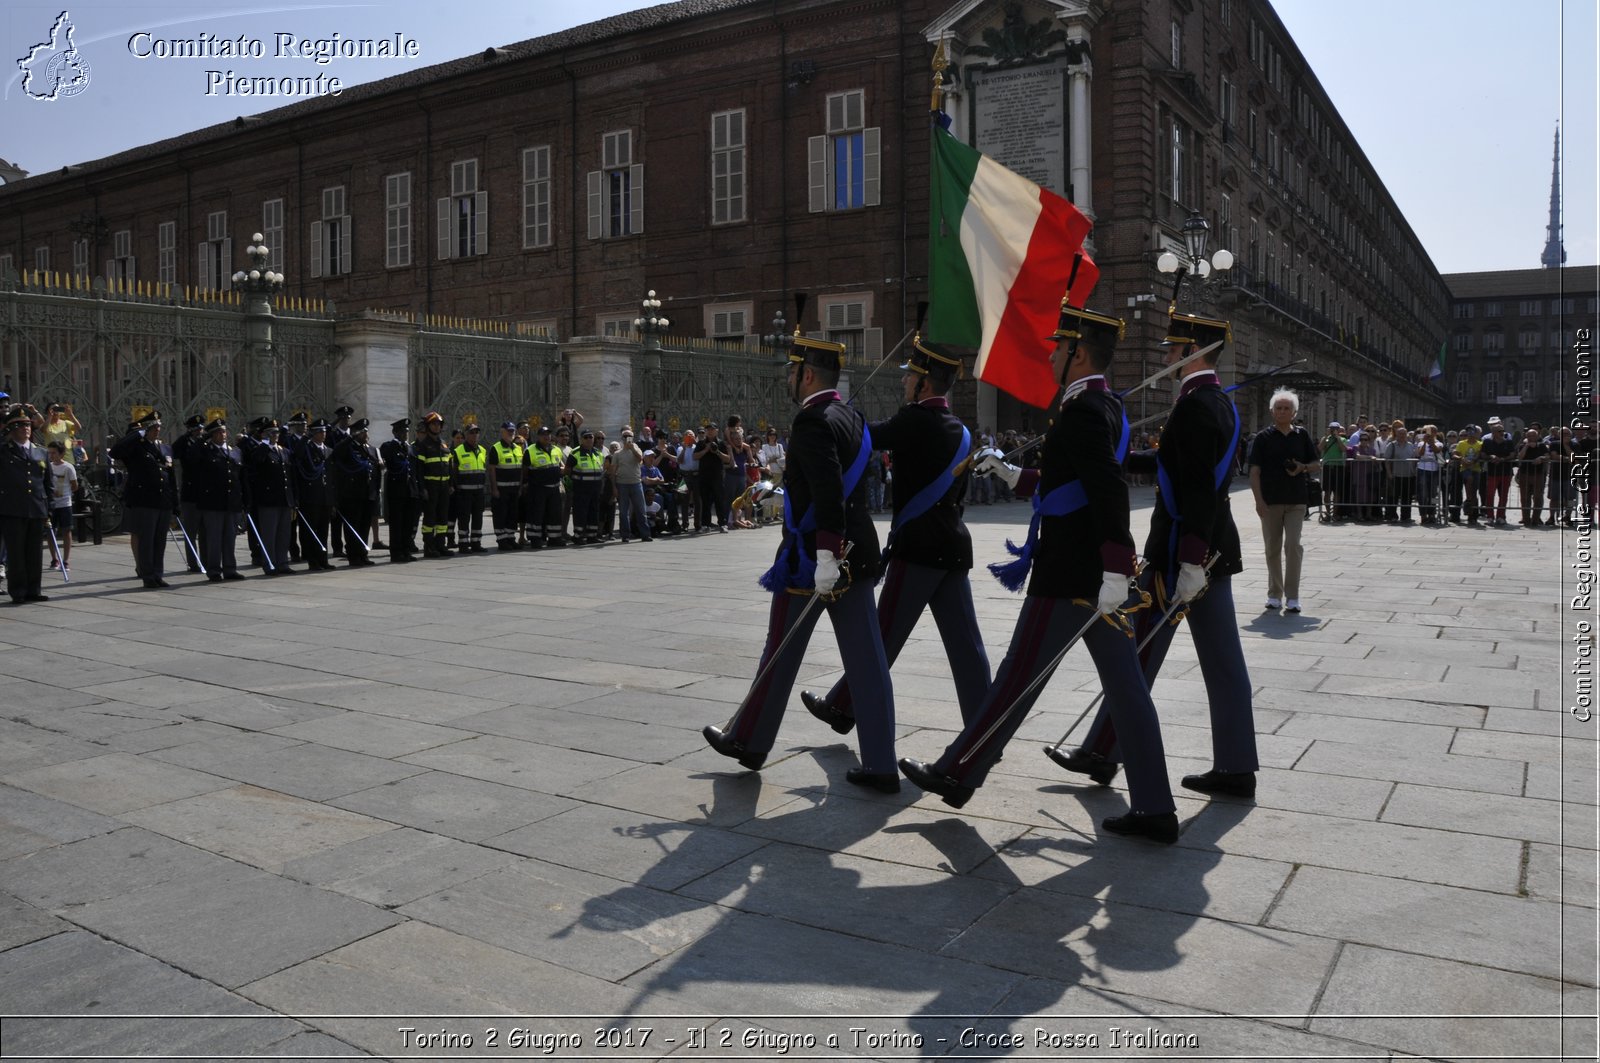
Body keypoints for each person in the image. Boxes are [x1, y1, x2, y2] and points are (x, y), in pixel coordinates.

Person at [898, 302, 1177, 842]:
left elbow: (1107, 489)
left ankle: (958, 772)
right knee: (1127, 691)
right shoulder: (1101, 406)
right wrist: (1010, 474)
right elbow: (1066, 482)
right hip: (1094, 578)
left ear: (1077, 354)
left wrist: (1117, 568)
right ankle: (1155, 807)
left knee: (1015, 680)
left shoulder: (1084, 411)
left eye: (1058, 347)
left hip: (1072, 578)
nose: (1050, 355)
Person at [1065, 311, 1259, 802]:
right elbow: (1179, 466)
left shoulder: (1196, 406)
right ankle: (1236, 765)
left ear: (1194, 352)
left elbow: (1196, 489)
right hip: (1208, 549)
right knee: (1222, 661)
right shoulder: (1212, 401)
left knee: (1134, 656)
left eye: (1175, 349)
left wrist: (1190, 560)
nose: (1167, 356)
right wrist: (1120, 458)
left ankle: (1102, 751)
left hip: (1181, 555)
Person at [702, 332, 897, 793]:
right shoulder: (852, 417)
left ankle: (749, 740)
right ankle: (882, 763)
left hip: (814, 556)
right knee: (868, 661)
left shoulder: (812, 420)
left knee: (781, 647)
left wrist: (825, 554)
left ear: (806, 374)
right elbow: (826, 486)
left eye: (792, 372)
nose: (789, 380)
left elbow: (828, 489)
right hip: (855, 550)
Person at [800, 336, 990, 736]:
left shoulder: (912, 420)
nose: (904, 383)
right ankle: (984, 728)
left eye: (910, 377)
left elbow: (867, 436)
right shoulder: (961, 429)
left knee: (880, 637)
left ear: (924, 384)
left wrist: (837, 416)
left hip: (917, 548)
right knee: (967, 646)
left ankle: (841, 706)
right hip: (953, 545)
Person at [1246, 388, 1319, 613]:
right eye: (1279, 408)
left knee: (1293, 546)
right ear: (1272, 411)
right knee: (1272, 548)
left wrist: (1302, 467)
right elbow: (1254, 472)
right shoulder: (1262, 438)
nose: (1282, 411)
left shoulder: (1302, 435)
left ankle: (1293, 596)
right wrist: (1258, 501)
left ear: (1294, 412)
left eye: (1287, 408)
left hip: (1297, 499)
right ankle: (1274, 594)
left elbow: (1317, 463)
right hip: (1270, 501)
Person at [0, 405, 51, 604]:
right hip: (12, 508)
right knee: (16, 552)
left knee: (34, 552)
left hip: (36, 508)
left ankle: (34, 589)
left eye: (28, 425)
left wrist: (49, 508)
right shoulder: (4, 452)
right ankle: (18, 591)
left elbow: (47, 483)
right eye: (20, 426)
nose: (25, 429)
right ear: (11, 430)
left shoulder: (40, 453)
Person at [190, 419, 247, 582]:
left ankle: (230, 569)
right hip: (213, 503)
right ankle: (214, 570)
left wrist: (243, 500)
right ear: (211, 435)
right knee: (214, 538)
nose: (222, 435)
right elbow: (192, 457)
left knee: (230, 538)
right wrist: (202, 439)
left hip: (231, 502)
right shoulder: (205, 451)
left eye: (223, 432)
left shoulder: (233, 451)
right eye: (217, 432)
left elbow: (240, 477)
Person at [332, 419, 378, 567]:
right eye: (362, 432)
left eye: (366, 432)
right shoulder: (349, 448)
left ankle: (362, 554)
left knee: (364, 526)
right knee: (353, 527)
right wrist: (350, 437)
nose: (366, 434)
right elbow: (336, 452)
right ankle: (353, 555)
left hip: (367, 494)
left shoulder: (368, 449)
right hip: (352, 495)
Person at [292, 419, 335, 570]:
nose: (323, 434)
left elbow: (331, 476)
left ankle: (323, 559)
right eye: (320, 432)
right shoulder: (307, 449)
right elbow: (296, 455)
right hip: (311, 496)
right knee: (311, 530)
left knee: (323, 530)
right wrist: (305, 437)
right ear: (314, 433)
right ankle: (313, 560)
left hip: (325, 497)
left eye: (324, 431)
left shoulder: (328, 450)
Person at [381, 418, 423, 563]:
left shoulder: (411, 448)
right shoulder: (389, 447)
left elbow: (415, 470)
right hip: (396, 492)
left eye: (406, 431)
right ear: (394, 432)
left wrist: (418, 489)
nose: (405, 434)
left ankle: (406, 550)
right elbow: (386, 459)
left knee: (408, 523)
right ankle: (396, 552)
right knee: (397, 524)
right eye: (401, 431)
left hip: (410, 491)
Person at [523, 424, 566, 548]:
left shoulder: (556, 449)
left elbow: (560, 465)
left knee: (554, 514)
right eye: (543, 435)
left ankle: (554, 538)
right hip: (538, 488)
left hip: (554, 488)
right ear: (538, 436)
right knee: (536, 514)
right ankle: (535, 539)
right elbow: (525, 470)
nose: (546, 437)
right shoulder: (530, 450)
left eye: (548, 434)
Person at [451, 423, 489, 553]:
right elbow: (454, 472)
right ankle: (463, 544)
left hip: (478, 491)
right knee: (464, 519)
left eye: (476, 433)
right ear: (466, 435)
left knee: (478, 518)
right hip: (464, 491)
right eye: (472, 433)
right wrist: (456, 488)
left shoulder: (483, 450)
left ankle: (476, 543)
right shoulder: (458, 451)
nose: (474, 435)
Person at [487, 421, 525, 550]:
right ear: (502, 432)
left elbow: (520, 469)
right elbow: (491, 470)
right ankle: (502, 540)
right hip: (501, 488)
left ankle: (510, 538)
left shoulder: (517, 448)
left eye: (513, 431)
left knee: (512, 515)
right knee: (501, 514)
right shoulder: (496, 448)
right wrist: (494, 489)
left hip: (514, 488)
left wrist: (520, 487)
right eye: (508, 431)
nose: (511, 433)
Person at [611, 427, 651, 543]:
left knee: (641, 511)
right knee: (623, 512)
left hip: (636, 483)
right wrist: (614, 487)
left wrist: (633, 448)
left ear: (633, 438)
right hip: (622, 484)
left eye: (629, 436)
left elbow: (640, 460)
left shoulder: (637, 449)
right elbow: (613, 471)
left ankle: (645, 534)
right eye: (625, 436)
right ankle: (625, 535)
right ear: (621, 438)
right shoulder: (617, 453)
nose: (627, 439)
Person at [43, 441, 78, 573]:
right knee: (51, 532)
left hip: (64, 503)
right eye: (49, 453)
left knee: (66, 531)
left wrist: (66, 493)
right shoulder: (48, 467)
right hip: (52, 504)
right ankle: (54, 559)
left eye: (54, 453)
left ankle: (66, 560)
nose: (51, 456)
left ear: (61, 453)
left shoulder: (68, 467)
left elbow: (74, 486)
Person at [567, 428, 606, 544]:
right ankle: (578, 536)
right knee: (580, 512)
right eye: (586, 437)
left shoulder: (598, 453)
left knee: (594, 511)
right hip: (581, 488)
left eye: (591, 437)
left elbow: (601, 469)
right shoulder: (575, 453)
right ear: (581, 439)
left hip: (595, 488)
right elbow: (568, 470)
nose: (589, 439)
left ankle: (592, 535)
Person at [1480, 418, 1517, 526]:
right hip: (1492, 472)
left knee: (1504, 496)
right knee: (1490, 495)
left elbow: (1512, 454)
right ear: (1493, 432)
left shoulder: (1508, 442)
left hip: (1506, 472)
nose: (1502, 433)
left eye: (1503, 431)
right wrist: (1490, 456)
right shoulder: (1487, 442)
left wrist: (1502, 459)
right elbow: (1482, 454)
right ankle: (1490, 516)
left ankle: (1501, 516)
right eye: (1499, 431)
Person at [1382, 423, 1419, 525]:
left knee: (1407, 498)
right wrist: (1389, 473)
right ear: (1396, 434)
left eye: (1404, 433)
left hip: (1408, 475)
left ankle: (1406, 516)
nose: (1402, 435)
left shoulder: (1411, 446)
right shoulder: (1391, 445)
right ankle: (1392, 516)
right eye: (1400, 434)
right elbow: (1387, 460)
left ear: (1406, 434)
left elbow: (1415, 459)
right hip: (1395, 475)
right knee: (1393, 497)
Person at [1415, 424, 1446, 526]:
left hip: (1434, 470)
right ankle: (1423, 515)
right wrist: (1424, 442)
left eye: (1431, 431)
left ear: (1435, 433)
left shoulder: (1439, 443)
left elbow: (1437, 450)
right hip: (1422, 469)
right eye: (1426, 432)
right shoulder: (1420, 443)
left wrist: (1431, 442)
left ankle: (1432, 514)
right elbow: (1420, 453)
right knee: (1423, 493)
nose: (1428, 433)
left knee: (1433, 494)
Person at [1319, 421, 1348, 521]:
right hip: (1328, 466)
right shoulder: (1326, 438)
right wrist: (1326, 437)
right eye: (1331, 429)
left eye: (1335, 429)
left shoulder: (1343, 439)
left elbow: (1343, 449)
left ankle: (1335, 514)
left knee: (1337, 491)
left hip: (1338, 466)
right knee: (1327, 491)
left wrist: (1338, 438)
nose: (1333, 431)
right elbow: (1320, 448)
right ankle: (1327, 513)